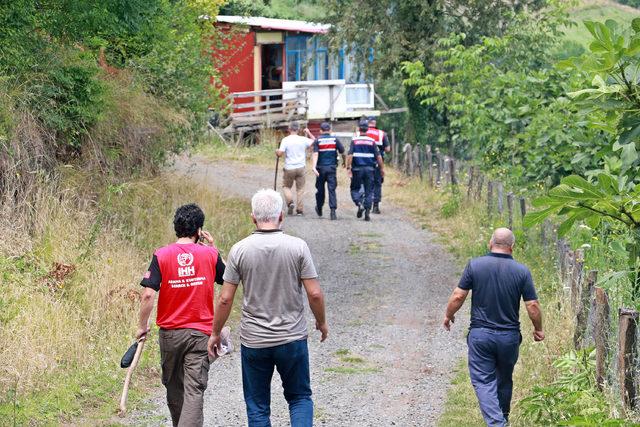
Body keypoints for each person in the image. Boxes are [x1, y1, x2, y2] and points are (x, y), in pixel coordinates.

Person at [208, 189, 329, 427]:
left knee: (258, 408)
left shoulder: (239, 250)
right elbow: (314, 293)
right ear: (281, 216)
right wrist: (321, 322)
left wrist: (215, 332)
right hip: (292, 339)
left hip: (255, 342)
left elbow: (224, 299)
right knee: (299, 398)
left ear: (253, 217)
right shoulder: (298, 247)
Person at [443, 228, 544, 427]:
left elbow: (458, 296)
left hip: (481, 335)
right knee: (504, 379)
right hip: (509, 337)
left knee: (483, 381)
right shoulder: (522, 271)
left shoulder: (475, 265)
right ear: (512, 247)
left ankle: (497, 423)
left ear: (490, 243)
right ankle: (503, 418)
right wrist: (538, 328)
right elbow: (532, 305)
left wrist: (449, 315)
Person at [136, 203, 225, 427]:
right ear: (199, 231)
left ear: (176, 228)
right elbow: (227, 279)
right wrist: (213, 248)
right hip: (200, 334)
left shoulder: (161, 255)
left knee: (174, 389)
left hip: (170, 335)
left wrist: (142, 326)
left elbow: (148, 295)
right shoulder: (210, 254)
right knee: (193, 390)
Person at [347, 120, 384, 221]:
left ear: (359, 129)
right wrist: (381, 169)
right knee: (369, 191)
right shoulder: (372, 142)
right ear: (367, 129)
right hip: (370, 170)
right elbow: (379, 157)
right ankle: (367, 211)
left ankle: (359, 204)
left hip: (357, 169)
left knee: (354, 189)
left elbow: (350, 155)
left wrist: (348, 168)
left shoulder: (354, 141)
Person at [276, 122, 315, 216]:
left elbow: (280, 154)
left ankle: (290, 202)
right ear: (298, 129)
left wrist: (277, 151)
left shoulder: (285, 140)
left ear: (289, 129)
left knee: (286, 187)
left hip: (289, 167)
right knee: (300, 189)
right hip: (301, 167)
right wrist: (309, 132)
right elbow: (315, 142)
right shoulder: (303, 139)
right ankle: (300, 210)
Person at [311, 121, 346, 221]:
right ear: (330, 130)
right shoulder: (335, 140)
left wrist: (314, 166)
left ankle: (319, 207)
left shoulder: (318, 140)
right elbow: (343, 152)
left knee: (320, 190)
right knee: (332, 190)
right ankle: (333, 211)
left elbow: (315, 154)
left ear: (320, 131)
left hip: (320, 169)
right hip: (331, 168)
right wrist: (344, 162)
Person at [366, 117, 391, 214]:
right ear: (375, 123)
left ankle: (365, 203)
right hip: (377, 162)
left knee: (366, 182)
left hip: (364, 162)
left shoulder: (362, 132)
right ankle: (375, 206)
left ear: (368, 123)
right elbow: (388, 149)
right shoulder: (382, 134)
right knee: (377, 183)